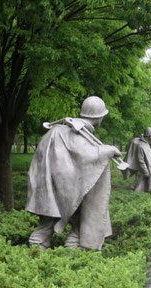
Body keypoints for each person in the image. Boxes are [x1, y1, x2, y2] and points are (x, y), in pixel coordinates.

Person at [26, 96, 122, 250]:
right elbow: (84, 156)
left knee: (44, 228)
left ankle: (36, 260)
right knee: (80, 227)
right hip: (69, 193)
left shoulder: (58, 131)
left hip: (48, 190)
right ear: (99, 118)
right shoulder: (75, 134)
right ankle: (72, 263)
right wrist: (108, 150)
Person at [123, 127, 151, 192]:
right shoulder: (141, 146)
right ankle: (133, 188)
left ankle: (138, 188)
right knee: (140, 179)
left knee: (141, 180)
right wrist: (145, 171)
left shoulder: (146, 144)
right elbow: (140, 160)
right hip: (143, 168)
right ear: (149, 135)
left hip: (148, 167)